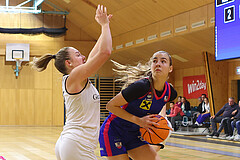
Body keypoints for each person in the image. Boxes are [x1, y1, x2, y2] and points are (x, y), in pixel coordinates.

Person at [31, 5, 112, 160]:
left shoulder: (76, 78)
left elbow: (95, 53)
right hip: (77, 144)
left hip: (71, 143)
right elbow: (105, 52)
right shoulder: (74, 76)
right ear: (69, 63)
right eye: (78, 54)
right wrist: (105, 26)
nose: (83, 57)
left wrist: (104, 27)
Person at [99, 51, 177, 160]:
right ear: (151, 66)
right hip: (114, 130)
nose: (158, 64)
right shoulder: (141, 87)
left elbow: (158, 105)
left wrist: (161, 122)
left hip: (135, 133)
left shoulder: (170, 93)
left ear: (170, 68)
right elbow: (110, 106)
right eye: (155, 61)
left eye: (163, 61)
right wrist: (139, 121)